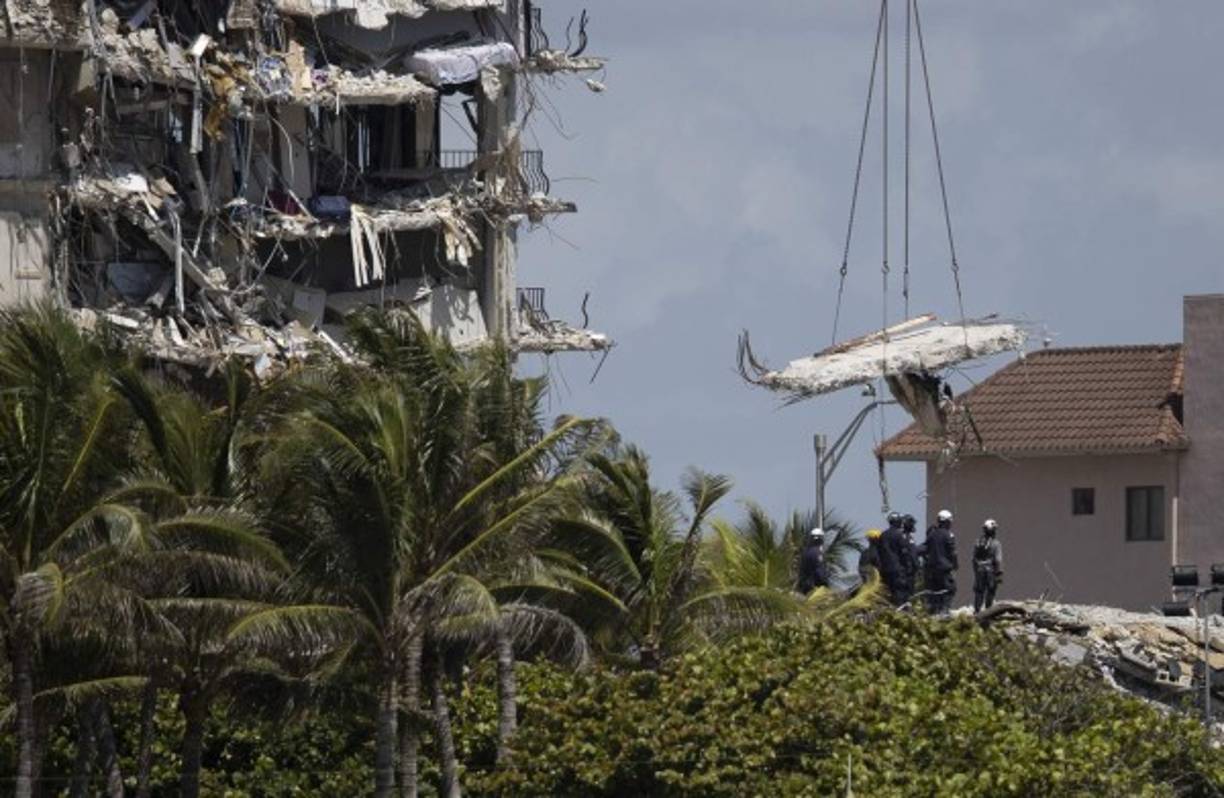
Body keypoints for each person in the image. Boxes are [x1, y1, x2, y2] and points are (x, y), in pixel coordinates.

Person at [921, 509, 958, 615]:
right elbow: (953, 552)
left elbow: (925, 548)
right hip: (945, 568)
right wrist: (955, 564)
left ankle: (934, 611)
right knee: (949, 589)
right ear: (947, 522)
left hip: (933, 568)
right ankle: (944, 611)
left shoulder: (932, 535)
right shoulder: (948, 535)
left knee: (935, 591)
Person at [879, 512, 912, 607]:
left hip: (885, 569)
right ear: (897, 522)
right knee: (899, 593)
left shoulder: (883, 535)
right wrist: (908, 566)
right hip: (897, 569)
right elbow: (904, 553)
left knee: (887, 593)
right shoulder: (899, 535)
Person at [972, 519, 1004, 612]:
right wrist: (999, 573)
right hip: (990, 571)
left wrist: (976, 571)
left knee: (979, 591)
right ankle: (988, 611)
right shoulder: (996, 543)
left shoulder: (977, 542)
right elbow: (998, 559)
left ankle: (977, 611)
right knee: (990, 591)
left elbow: (973, 559)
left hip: (979, 570)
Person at [797, 528, 829, 594]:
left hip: (804, 587)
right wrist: (825, 584)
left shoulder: (805, 552)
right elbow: (819, 572)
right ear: (820, 539)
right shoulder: (818, 553)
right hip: (814, 587)